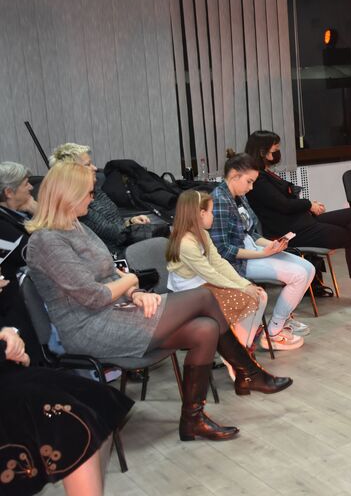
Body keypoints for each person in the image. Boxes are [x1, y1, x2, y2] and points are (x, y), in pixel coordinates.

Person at [25, 163, 291, 443]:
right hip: (90, 328)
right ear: (68, 195)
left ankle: (193, 420)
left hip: (116, 312)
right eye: (89, 193)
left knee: (205, 329)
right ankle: (249, 372)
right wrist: (131, 282)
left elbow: (110, 274)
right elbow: (95, 295)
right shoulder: (46, 241)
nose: (93, 199)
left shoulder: (77, 227)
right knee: (204, 296)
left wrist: (135, 293)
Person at [241, 133, 351, 305]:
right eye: (275, 149)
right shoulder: (258, 180)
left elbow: (286, 201)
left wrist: (310, 206)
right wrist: (309, 205)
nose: (278, 153)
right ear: (262, 152)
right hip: (291, 231)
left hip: (302, 221)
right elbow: (283, 205)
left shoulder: (266, 174)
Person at [1, 279, 133, 496]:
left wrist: (9, 334)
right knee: (71, 423)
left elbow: (11, 318)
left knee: (98, 400)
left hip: (9, 369)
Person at [209, 153, 316, 344]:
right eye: (249, 182)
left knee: (308, 268)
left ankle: (281, 320)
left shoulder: (239, 197)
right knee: (299, 275)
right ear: (234, 175)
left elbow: (250, 233)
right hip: (237, 262)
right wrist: (263, 253)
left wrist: (271, 245)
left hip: (253, 252)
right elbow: (222, 251)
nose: (251, 188)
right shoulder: (219, 200)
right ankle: (274, 331)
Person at [166, 190, 269, 354]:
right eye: (211, 212)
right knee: (246, 299)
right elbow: (210, 273)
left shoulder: (203, 234)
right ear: (201, 214)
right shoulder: (185, 243)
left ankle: (242, 348)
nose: (213, 216)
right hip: (188, 291)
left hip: (203, 282)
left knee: (260, 295)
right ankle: (235, 353)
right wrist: (241, 288)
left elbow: (219, 263)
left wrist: (244, 283)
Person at [49, 143, 162, 256]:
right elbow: (116, 235)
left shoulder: (95, 190)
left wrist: (130, 222)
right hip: (113, 255)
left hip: (126, 245)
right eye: (88, 165)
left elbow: (115, 225)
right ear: (72, 172)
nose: (95, 168)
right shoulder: (79, 204)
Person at [0, 161, 42, 361]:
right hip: (12, 303)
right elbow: (36, 253)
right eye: (26, 183)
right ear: (9, 192)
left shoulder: (18, 214)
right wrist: (39, 213)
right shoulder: (2, 225)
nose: (31, 187)